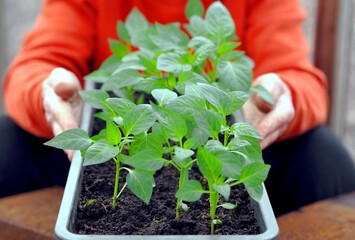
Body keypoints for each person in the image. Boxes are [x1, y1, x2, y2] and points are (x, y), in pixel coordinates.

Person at [1, 0, 355, 216]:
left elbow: (302, 79)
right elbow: (35, 65)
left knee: (323, 157)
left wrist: (280, 93)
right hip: (119, 141)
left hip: (224, 135)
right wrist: (48, 93)